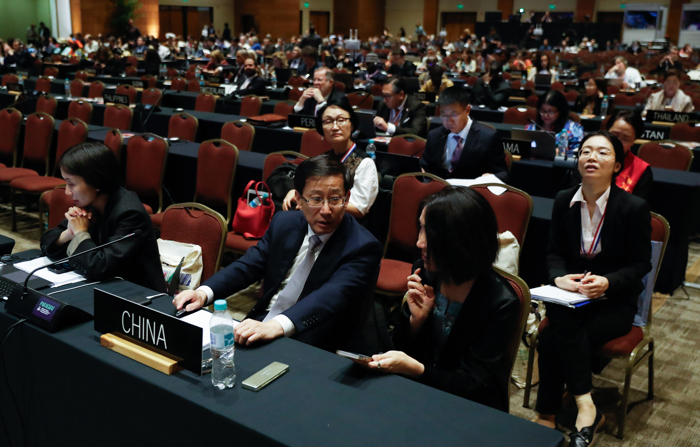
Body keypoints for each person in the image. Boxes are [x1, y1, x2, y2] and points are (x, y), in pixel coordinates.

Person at [174, 155, 383, 351]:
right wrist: (203, 293)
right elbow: (249, 265)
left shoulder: (363, 247)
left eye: (335, 199)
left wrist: (276, 326)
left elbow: (330, 296)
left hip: (314, 339)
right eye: (316, 199)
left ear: (347, 198)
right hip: (263, 322)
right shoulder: (284, 223)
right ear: (299, 199)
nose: (326, 210)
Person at [534, 131, 652, 447]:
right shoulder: (563, 200)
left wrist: (608, 281)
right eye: (585, 151)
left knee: (552, 336)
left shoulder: (633, 207)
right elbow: (554, 252)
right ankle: (585, 406)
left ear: (617, 165)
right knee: (557, 328)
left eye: (602, 152)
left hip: (614, 302)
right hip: (571, 298)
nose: (592, 157)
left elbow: (641, 264)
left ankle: (550, 412)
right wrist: (559, 278)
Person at [362, 187, 519, 412]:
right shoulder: (425, 272)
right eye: (421, 229)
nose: (419, 242)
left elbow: (476, 384)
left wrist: (417, 370)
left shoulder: (500, 302)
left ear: (459, 241)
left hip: (468, 410)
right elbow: (397, 345)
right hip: (417, 393)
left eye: (429, 233)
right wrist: (416, 322)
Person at [40, 143, 166, 293]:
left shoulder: (130, 213)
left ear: (97, 182)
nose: (67, 192)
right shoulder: (89, 203)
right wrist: (68, 234)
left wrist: (81, 234)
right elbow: (46, 242)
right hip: (102, 288)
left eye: (71, 184)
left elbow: (100, 267)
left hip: (137, 297)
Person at [285, 100, 379, 219]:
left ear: (352, 125)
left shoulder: (365, 163)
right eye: (328, 122)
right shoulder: (324, 158)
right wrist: (295, 193)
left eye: (340, 120)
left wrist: (310, 201)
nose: (334, 127)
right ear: (322, 129)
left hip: (348, 226)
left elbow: (358, 209)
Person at [420, 86, 508, 182]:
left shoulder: (488, 137)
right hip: (438, 193)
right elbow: (425, 168)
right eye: (444, 115)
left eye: (454, 114)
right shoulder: (434, 136)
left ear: (467, 110)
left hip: (471, 194)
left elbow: (502, 174)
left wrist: (490, 177)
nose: (448, 121)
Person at [571, 110, 653, 201]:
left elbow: (637, 208)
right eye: (614, 135)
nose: (617, 142)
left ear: (633, 141)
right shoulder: (589, 159)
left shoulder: (642, 170)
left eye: (625, 139)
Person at [526, 90, 584, 157]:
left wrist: (563, 152)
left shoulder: (574, 129)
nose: (545, 115)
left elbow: (578, 151)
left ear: (560, 111)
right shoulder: (530, 128)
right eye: (542, 111)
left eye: (551, 112)